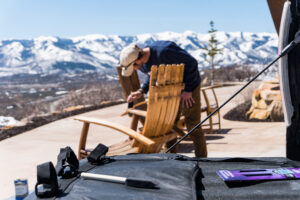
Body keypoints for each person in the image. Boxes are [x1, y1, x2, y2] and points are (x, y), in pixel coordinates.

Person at [119, 41, 207, 157]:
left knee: (193, 125)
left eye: (134, 66)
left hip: (189, 88)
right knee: (169, 125)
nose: (135, 69)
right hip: (172, 90)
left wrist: (188, 90)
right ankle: (171, 157)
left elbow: (192, 63)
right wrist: (142, 91)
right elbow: (152, 75)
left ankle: (201, 159)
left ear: (137, 59)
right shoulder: (143, 63)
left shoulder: (165, 51)